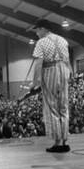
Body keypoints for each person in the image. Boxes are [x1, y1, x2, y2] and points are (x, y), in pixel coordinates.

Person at [31, 19, 71, 153]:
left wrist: (35, 82)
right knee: (63, 107)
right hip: (64, 70)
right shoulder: (63, 40)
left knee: (52, 107)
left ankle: (58, 142)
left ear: (43, 29)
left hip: (50, 71)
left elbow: (38, 63)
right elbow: (67, 60)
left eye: (37, 30)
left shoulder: (41, 42)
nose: (36, 33)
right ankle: (65, 140)